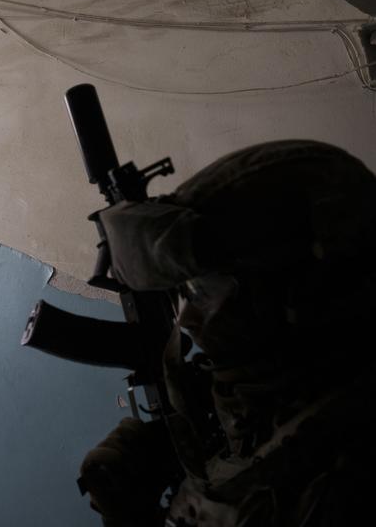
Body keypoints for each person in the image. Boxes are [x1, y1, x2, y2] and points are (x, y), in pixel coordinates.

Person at [79, 140, 376, 526]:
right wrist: (134, 460)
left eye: (205, 293)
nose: (189, 322)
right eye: (190, 294)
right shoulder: (272, 393)